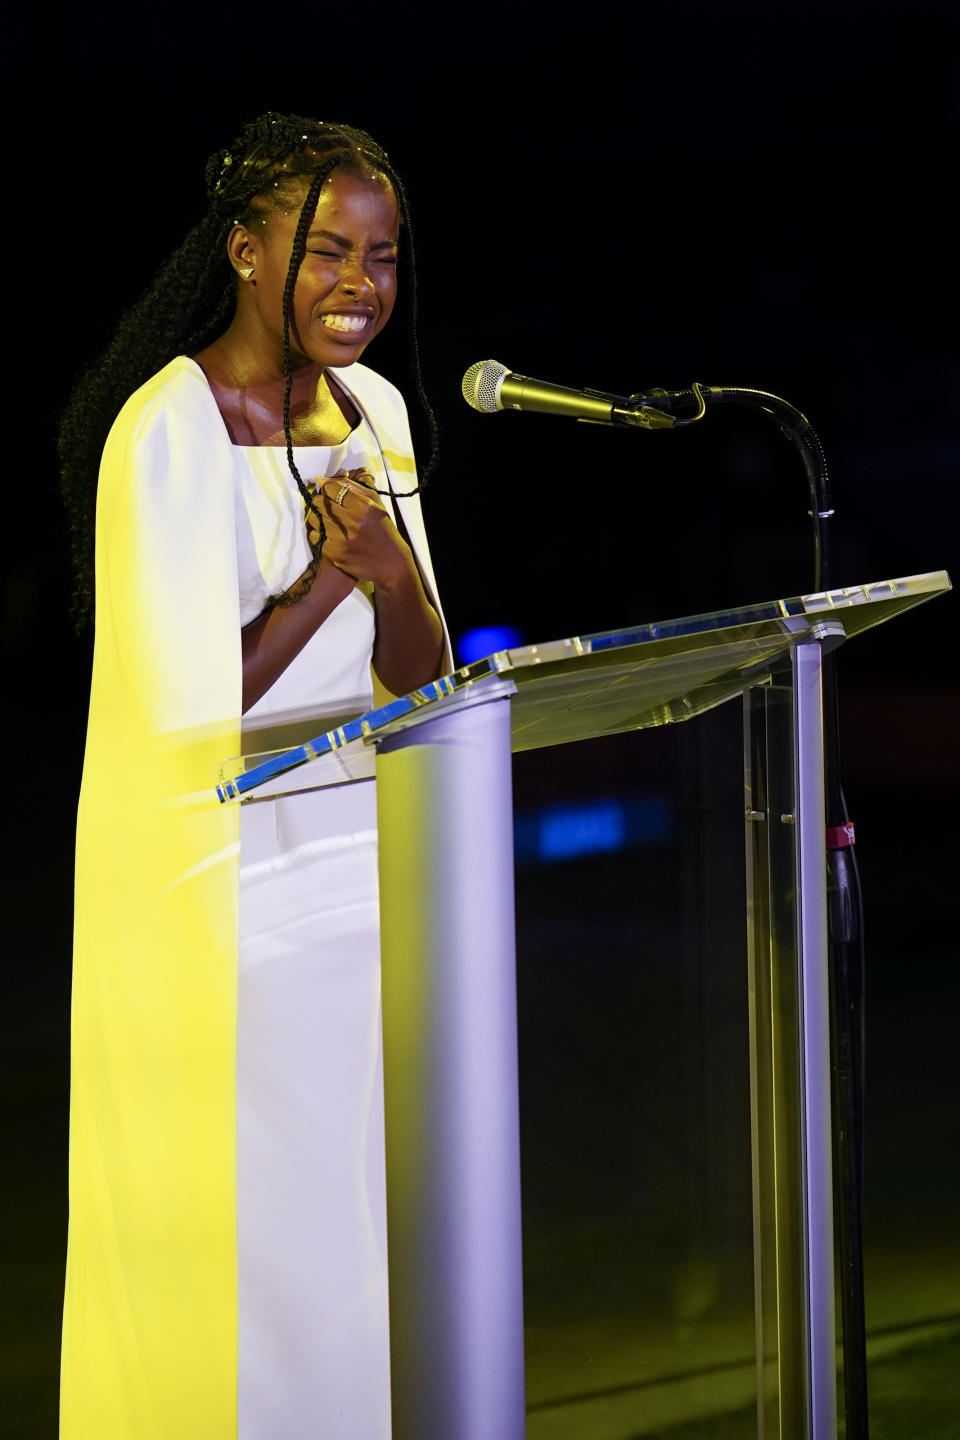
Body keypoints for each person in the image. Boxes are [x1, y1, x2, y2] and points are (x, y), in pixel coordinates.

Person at [58, 113, 449, 1439]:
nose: (361, 286)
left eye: (384, 257)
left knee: (338, 1232)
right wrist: (331, 572)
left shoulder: (380, 413)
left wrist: (390, 579)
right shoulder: (164, 429)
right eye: (328, 251)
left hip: (353, 882)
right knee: (233, 1250)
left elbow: (419, 674)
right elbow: (190, 714)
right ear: (242, 252)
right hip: (208, 902)